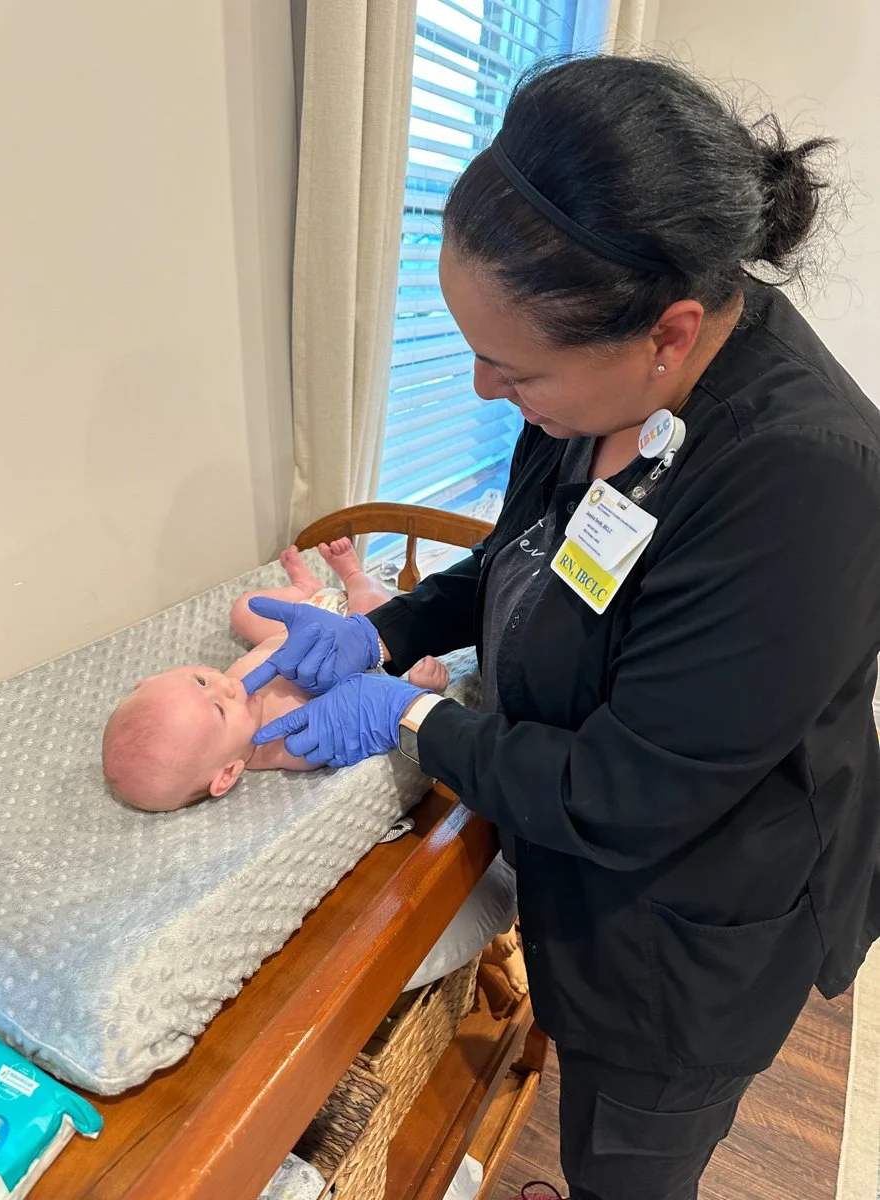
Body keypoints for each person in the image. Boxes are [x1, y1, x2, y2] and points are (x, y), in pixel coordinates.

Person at [244, 56, 880, 1199]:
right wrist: (386, 629)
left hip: (690, 939)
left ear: (669, 336)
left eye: (511, 365)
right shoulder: (606, 369)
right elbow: (525, 560)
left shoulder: (808, 482)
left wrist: (415, 717)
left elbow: (629, 792)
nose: (487, 389)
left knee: (629, 1151)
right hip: (591, 871)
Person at [103, 540, 447, 811]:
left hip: (304, 619)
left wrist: (309, 607)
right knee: (373, 611)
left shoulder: (228, 694)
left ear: (148, 679)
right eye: (221, 711)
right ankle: (356, 577)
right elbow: (363, 711)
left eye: (200, 681)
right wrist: (414, 690)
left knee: (243, 609)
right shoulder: (286, 747)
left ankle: (304, 589)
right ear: (227, 773)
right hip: (361, 638)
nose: (226, 686)